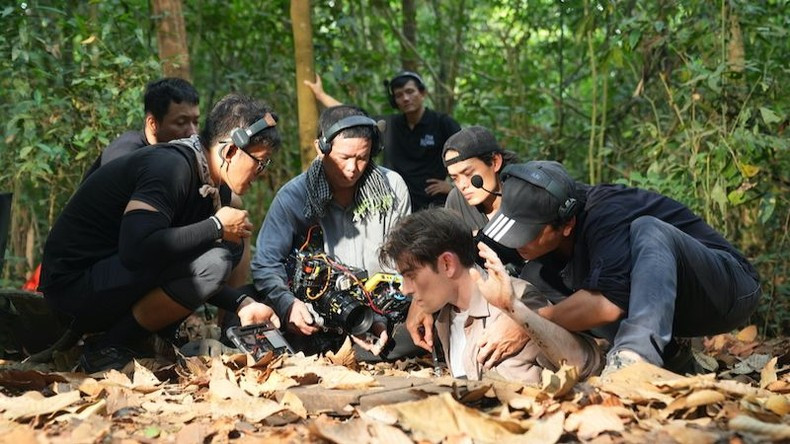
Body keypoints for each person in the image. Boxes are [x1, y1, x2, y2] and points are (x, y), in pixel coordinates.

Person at [40, 94, 281, 373]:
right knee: (219, 253)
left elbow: (187, 267)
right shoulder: (170, 168)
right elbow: (137, 248)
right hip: (72, 287)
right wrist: (215, 226)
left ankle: (136, 339)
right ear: (229, 152)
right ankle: (108, 347)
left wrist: (242, 303)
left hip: (110, 278)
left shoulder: (210, 184)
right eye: (260, 162)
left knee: (228, 247)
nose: (261, 172)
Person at [480, 160, 762, 375]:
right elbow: (458, 256)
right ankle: (675, 361)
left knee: (648, 229)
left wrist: (527, 322)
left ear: (567, 224)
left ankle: (633, 357)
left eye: (527, 232)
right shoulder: (542, 217)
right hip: (669, 304)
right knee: (537, 275)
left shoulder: (605, 214)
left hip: (726, 289)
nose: (518, 242)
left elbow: (608, 304)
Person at [251, 105, 413, 359]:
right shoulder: (293, 197)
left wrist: (382, 314)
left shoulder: (392, 187)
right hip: (316, 319)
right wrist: (288, 305)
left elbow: (406, 262)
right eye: (344, 158)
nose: (353, 168)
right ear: (321, 148)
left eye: (363, 157)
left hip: (379, 313)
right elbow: (265, 263)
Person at [379, 208, 602, 381]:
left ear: (447, 263)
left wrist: (517, 312)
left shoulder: (516, 298)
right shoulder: (443, 315)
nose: (405, 289)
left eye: (411, 275)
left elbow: (586, 364)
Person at [304, 71, 461, 210]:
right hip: (397, 202)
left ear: (422, 93)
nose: (405, 98)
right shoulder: (390, 125)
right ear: (394, 101)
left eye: (410, 92)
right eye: (399, 95)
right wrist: (321, 95)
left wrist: (453, 187)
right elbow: (354, 117)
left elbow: (465, 155)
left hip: (434, 204)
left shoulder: (443, 123)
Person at [82, 77, 200, 180]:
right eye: (181, 123)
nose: (192, 132)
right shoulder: (125, 153)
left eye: (196, 122)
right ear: (153, 123)